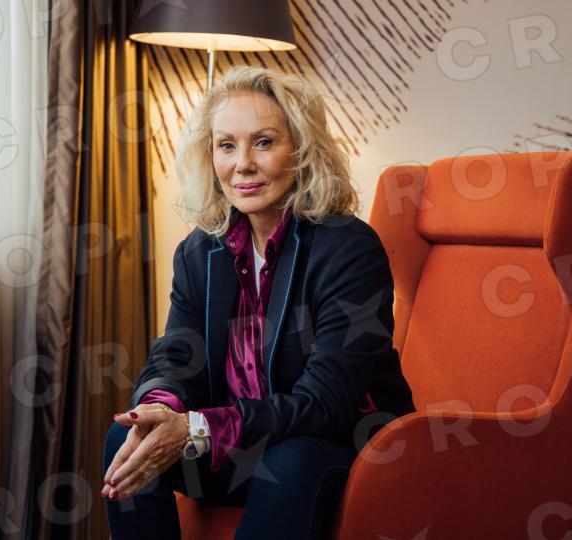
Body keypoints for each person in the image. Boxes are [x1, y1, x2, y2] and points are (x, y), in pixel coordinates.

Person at [101, 65, 414, 540]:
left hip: (338, 449)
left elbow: (327, 403)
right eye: (226, 145)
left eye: (264, 142)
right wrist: (160, 411)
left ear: (302, 151)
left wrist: (200, 428)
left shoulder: (350, 249)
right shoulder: (199, 251)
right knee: (126, 438)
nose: (242, 164)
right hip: (242, 449)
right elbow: (178, 354)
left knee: (290, 458)